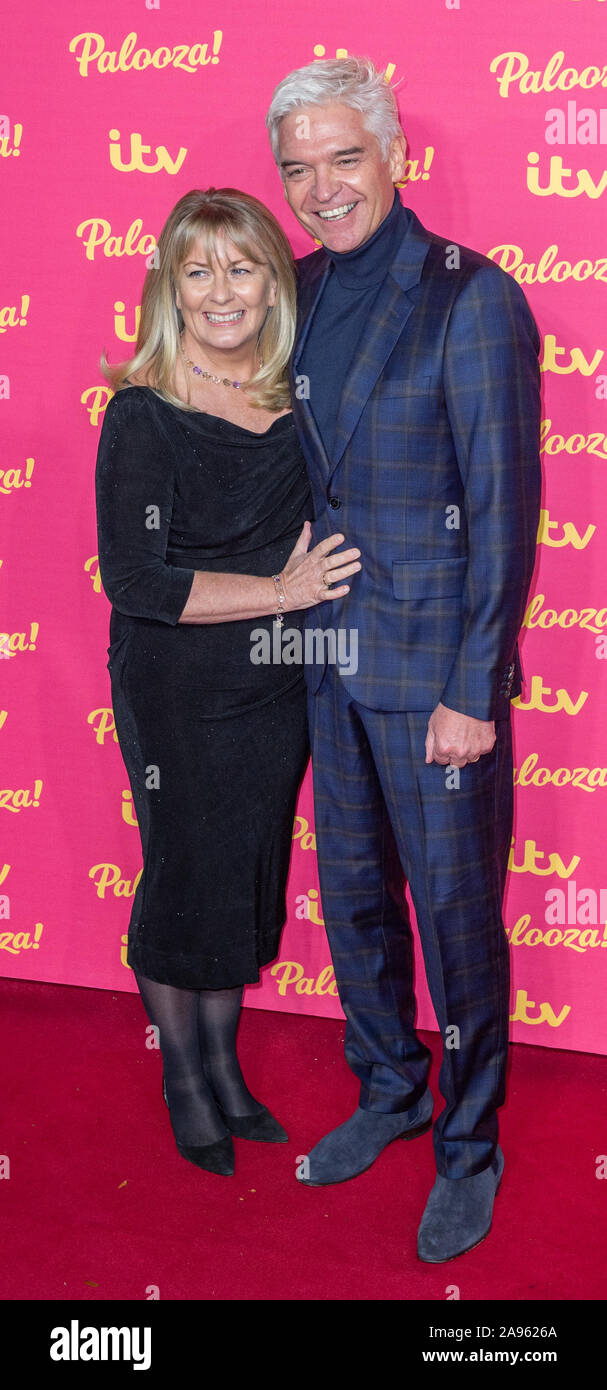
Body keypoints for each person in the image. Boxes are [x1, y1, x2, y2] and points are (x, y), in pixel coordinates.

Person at [265, 57, 542, 1260]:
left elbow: (501, 508)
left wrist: (471, 692)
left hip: (434, 682)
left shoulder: (468, 297)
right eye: (296, 168)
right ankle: (388, 1088)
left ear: (392, 156)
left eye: (343, 159)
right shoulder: (294, 289)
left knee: (456, 918)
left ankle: (468, 1146)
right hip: (325, 656)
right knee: (355, 906)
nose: (321, 189)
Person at [94, 187, 362, 1177]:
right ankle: (184, 1076)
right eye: (197, 269)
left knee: (244, 870)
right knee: (185, 872)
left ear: (272, 281)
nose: (221, 291)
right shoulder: (144, 410)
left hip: (275, 680)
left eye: (241, 267)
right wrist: (279, 587)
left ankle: (224, 1066)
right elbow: (136, 579)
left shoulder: (299, 395)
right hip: (175, 682)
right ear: (169, 282)